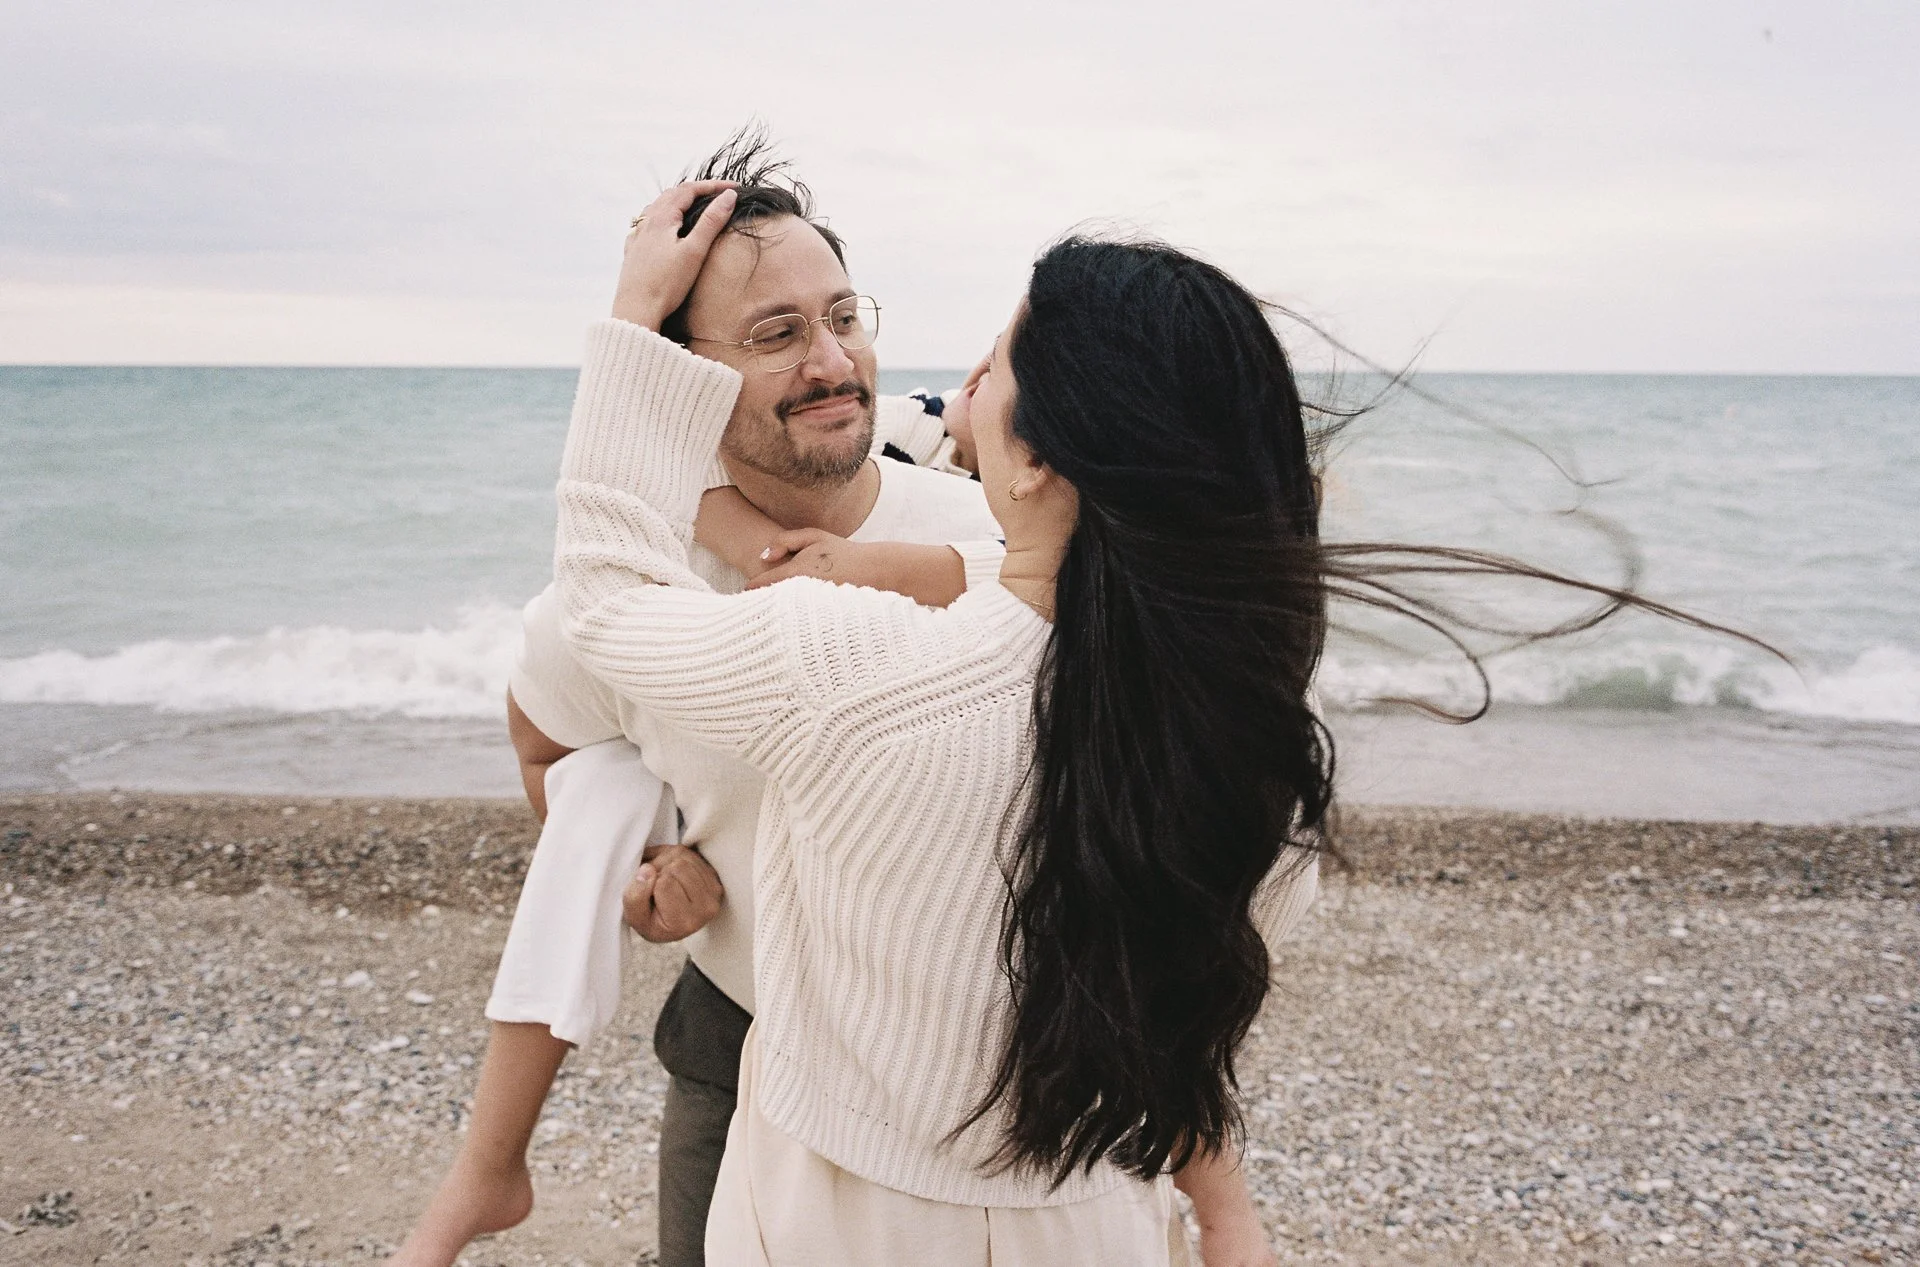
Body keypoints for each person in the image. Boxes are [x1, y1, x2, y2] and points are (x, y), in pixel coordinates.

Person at [545, 181, 1334, 1264]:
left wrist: (631, 328)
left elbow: (603, 598)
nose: (960, 385)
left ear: (1039, 457)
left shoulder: (842, 662)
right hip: (1097, 1218)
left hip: (836, 1226)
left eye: (994, 369)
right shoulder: (1260, 749)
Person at [387, 134, 1015, 1267]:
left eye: (844, 316)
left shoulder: (987, 545)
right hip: (741, 1042)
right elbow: (547, 742)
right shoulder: (641, 582)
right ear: (679, 377)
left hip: (965, 1070)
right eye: (776, 336)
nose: (831, 360)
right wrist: (648, 873)